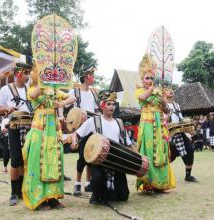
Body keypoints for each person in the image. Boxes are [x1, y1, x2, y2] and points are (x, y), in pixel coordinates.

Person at [22, 69, 76, 210]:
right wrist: (43, 82)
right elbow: (34, 95)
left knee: (53, 161)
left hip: (52, 131)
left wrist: (61, 104)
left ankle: (52, 198)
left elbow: (73, 98)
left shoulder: (54, 90)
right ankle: (39, 199)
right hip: (39, 130)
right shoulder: (33, 89)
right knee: (36, 162)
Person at [71, 90, 132, 204]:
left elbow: (128, 143)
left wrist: (136, 155)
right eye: (109, 104)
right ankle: (96, 193)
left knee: (123, 196)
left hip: (115, 160)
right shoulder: (94, 120)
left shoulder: (119, 122)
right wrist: (74, 142)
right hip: (99, 160)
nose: (112, 107)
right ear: (102, 105)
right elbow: (77, 133)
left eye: (113, 104)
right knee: (98, 181)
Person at [135, 54, 175, 193]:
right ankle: (148, 185)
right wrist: (152, 90)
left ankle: (162, 184)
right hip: (146, 126)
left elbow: (166, 110)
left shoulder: (159, 92)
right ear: (142, 79)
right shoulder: (140, 90)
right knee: (148, 153)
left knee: (162, 152)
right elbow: (142, 98)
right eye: (147, 78)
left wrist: (164, 102)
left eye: (152, 78)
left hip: (160, 126)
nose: (150, 80)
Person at [0, 62, 32, 206]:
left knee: (26, 159)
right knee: (16, 159)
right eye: (26, 74)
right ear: (18, 74)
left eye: (29, 73)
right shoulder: (6, 89)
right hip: (14, 126)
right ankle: (13, 193)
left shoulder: (30, 89)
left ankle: (22, 191)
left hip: (30, 126)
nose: (28, 76)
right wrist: (7, 108)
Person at [69, 63, 99, 196]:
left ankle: (88, 183)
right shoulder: (74, 92)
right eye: (92, 75)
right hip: (81, 129)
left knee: (91, 155)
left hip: (92, 128)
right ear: (86, 77)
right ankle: (77, 184)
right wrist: (76, 114)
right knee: (82, 157)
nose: (93, 77)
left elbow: (97, 110)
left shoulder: (94, 93)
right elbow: (64, 107)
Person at [164, 88, 198, 182]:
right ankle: (161, 175)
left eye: (172, 90)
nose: (171, 91)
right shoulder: (161, 105)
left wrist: (187, 129)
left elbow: (180, 119)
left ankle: (188, 175)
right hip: (167, 133)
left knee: (190, 150)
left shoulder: (176, 105)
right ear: (163, 92)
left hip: (179, 132)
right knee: (168, 155)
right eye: (168, 90)